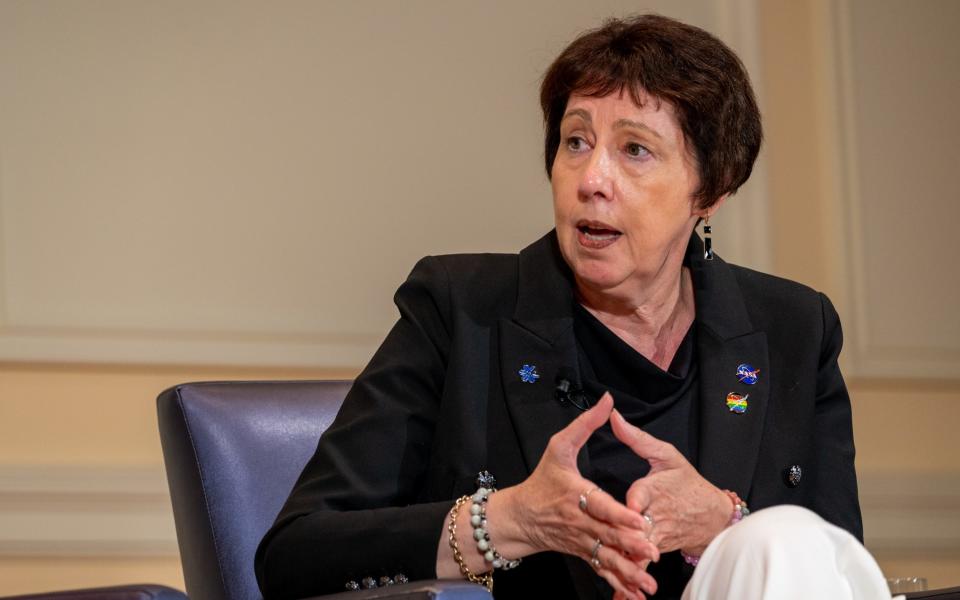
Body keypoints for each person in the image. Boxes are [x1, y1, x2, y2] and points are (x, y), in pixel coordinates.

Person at [255, 14, 869, 599]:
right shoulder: (463, 312)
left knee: (779, 538)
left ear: (710, 189)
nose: (591, 178)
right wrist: (509, 522)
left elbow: (835, 566)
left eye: (635, 150)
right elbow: (295, 553)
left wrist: (725, 522)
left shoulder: (793, 329)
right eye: (576, 141)